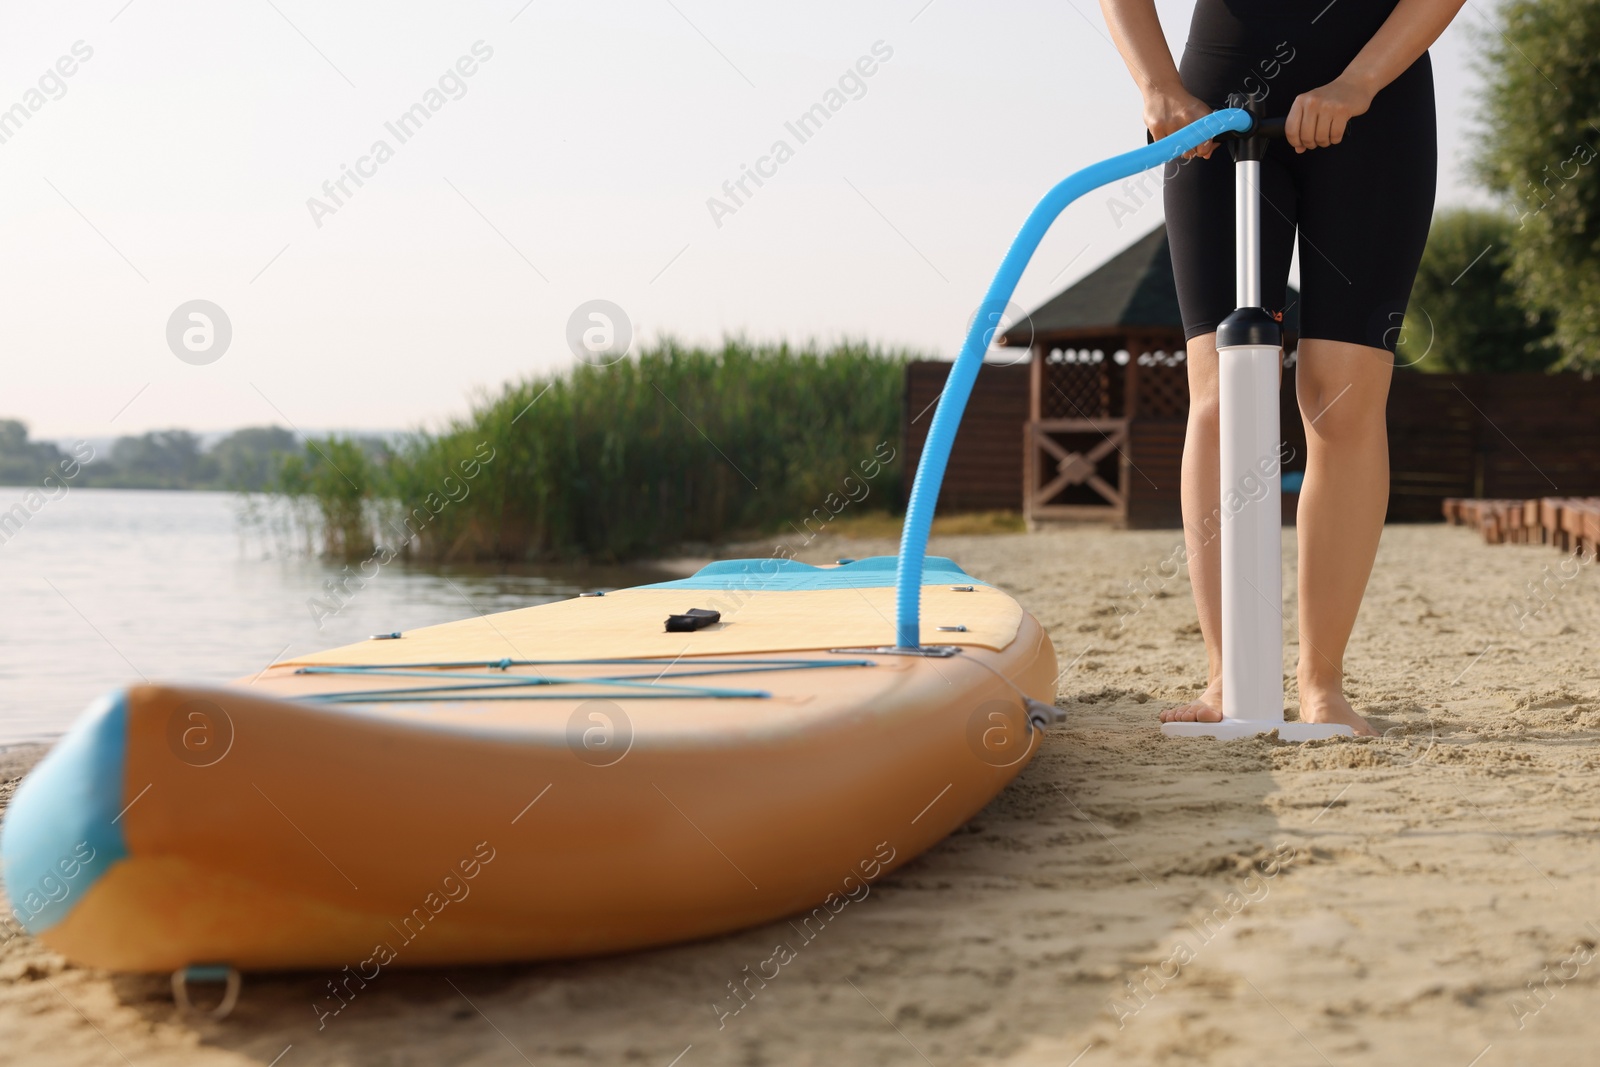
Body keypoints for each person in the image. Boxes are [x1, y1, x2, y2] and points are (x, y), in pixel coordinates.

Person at [1099, 0, 1465, 736]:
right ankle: (1228, 673)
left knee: (1343, 398)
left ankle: (1322, 683)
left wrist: (1358, 83)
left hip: (1376, 107)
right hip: (1213, 103)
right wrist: (1155, 84)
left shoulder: (1370, 92)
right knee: (1225, 397)